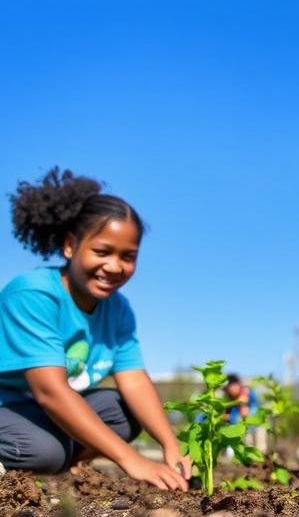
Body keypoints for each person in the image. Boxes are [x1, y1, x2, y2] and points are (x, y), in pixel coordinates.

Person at [0, 168, 190, 490]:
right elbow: (50, 392)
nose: (115, 267)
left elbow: (133, 379)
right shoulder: (34, 294)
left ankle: (62, 455)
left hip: (37, 408)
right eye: (102, 252)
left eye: (128, 256)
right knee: (46, 452)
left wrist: (170, 444)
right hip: (10, 403)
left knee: (126, 412)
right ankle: (49, 455)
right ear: (71, 246)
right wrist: (131, 459)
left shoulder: (118, 309)